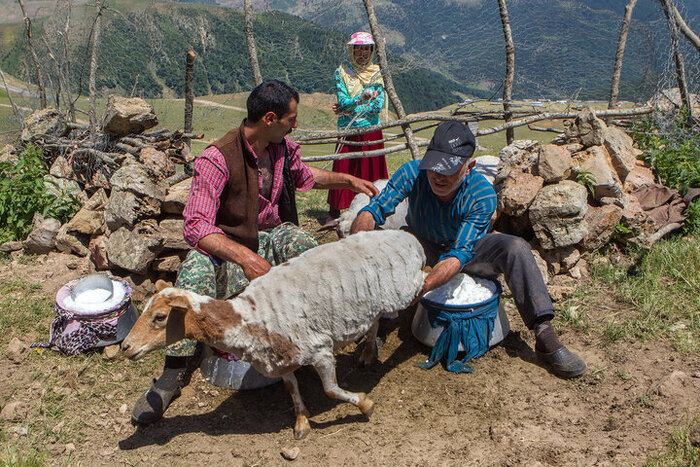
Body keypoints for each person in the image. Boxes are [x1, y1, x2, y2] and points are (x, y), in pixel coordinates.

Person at [131, 79, 379, 425]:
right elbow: (196, 225)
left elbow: (306, 176)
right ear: (269, 118)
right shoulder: (216, 159)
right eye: (291, 119)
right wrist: (245, 257)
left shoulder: (281, 148)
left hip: (271, 239)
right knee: (194, 271)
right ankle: (173, 371)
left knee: (304, 247)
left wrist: (349, 181)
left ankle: (315, 342)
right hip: (232, 249)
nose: (295, 125)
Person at [351, 121, 587, 379]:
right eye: (434, 167)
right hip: (422, 245)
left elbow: (458, 253)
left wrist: (421, 287)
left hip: (470, 252)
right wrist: (355, 248)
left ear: (468, 166)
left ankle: (544, 334)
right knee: (386, 242)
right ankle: (381, 324)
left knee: (516, 248)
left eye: (448, 170)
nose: (438, 176)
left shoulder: (481, 194)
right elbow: (374, 209)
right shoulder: (412, 173)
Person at [326, 31, 389, 223]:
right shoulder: (342, 72)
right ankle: (335, 211)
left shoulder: (378, 73)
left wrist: (348, 106)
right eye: (358, 48)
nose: (362, 53)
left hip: (371, 129)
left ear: (371, 51)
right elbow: (343, 101)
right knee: (344, 168)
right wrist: (360, 99)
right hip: (348, 130)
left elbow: (377, 106)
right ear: (352, 50)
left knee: (370, 169)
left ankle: (372, 208)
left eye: (366, 49)